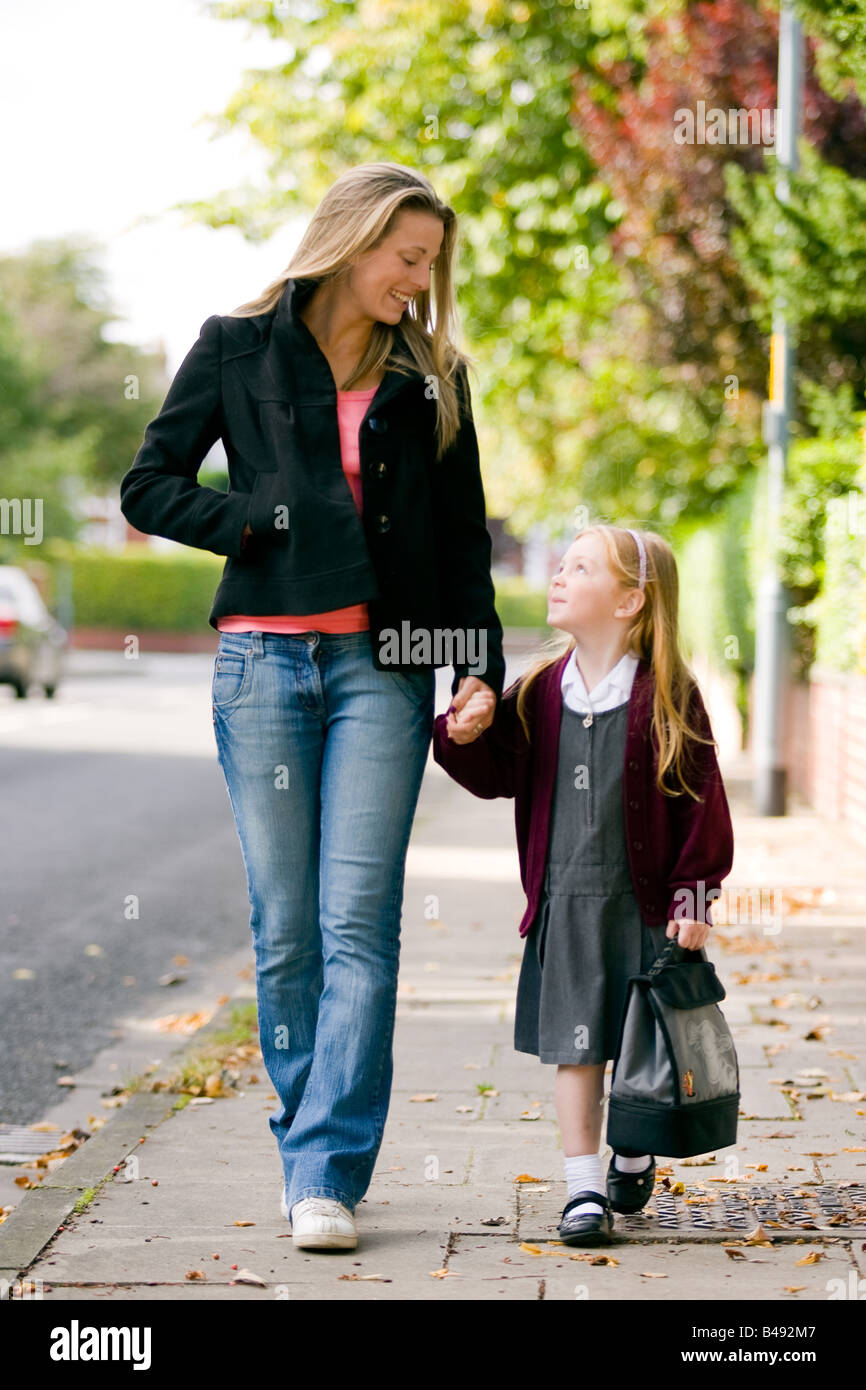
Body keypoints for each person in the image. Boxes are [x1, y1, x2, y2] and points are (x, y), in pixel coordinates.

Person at [119, 163, 505, 1252]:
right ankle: (303, 1151)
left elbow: (462, 537)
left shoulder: (432, 377)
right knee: (284, 925)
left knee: (356, 924)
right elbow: (147, 485)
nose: (420, 283)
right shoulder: (234, 345)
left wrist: (476, 663)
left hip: (382, 670)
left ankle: (328, 1167)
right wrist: (255, 522)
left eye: (431, 264)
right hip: (260, 669)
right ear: (352, 239)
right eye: (408, 258)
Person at [432, 523, 734, 1246]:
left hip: (646, 910)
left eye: (580, 567)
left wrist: (696, 895)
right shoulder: (536, 691)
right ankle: (582, 1192)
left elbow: (702, 799)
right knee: (577, 1051)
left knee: (636, 1045)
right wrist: (462, 732)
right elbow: (492, 775)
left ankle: (633, 1148)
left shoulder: (668, 695)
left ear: (631, 600)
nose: (559, 576)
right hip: (563, 906)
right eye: (560, 564)